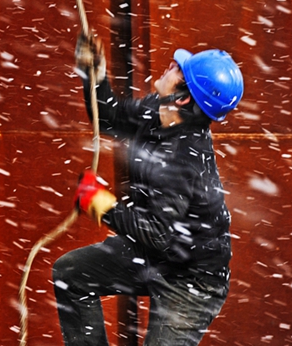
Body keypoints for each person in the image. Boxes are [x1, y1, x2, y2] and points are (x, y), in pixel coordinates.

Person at [52, 33, 244, 346]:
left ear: (182, 99)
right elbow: (110, 117)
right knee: (71, 275)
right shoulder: (159, 111)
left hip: (191, 282)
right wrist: (94, 75)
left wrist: (101, 205)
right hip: (155, 256)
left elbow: (158, 232)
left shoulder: (183, 157)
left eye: (180, 71)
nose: (172, 65)